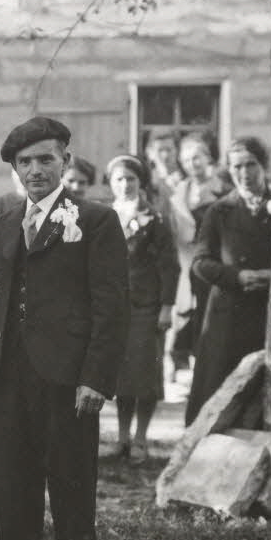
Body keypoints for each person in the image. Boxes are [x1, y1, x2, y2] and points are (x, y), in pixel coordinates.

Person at [0, 116, 128, 540]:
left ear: (65, 162)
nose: (36, 171)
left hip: (68, 378)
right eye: (25, 163)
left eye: (46, 160)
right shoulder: (5, 223)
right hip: (11, 376)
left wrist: (95, 378)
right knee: (13, 485)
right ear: (14, 169)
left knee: (72, 486)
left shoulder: (95, 221)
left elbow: (112, 305)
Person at [184, 137, 271, 425]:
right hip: (229, 311)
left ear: (264, 167)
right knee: (221, 388)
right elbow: (201, 262)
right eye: (237, 166)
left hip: (268, 310)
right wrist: (236, 276)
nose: (245, 173)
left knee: (264, 386)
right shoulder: (219, 211)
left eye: (251, 165)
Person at [105, 155, 179, 459]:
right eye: (119, 179)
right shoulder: (104, 216)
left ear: (140, 182)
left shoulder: (154, 219)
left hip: (146, 307)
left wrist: (166, 307)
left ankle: (141, 438)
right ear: (111, 183)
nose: (125, 185)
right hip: (113, 309)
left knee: (145, 374)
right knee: (121, 375)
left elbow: (170, 268)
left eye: (131, 179)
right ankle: (122, 437)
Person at [167, 133, 232, 373]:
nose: (191, 164)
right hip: (185, 259)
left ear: (207, 157)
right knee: (185, 310)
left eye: (196, 158)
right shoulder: (179, 190)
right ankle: (186, 364)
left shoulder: (223, 189)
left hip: (213, 259)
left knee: (209, 309)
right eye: (185, 160)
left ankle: (208, 365)